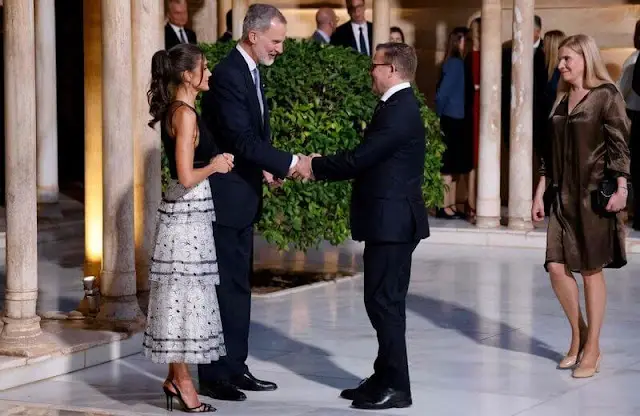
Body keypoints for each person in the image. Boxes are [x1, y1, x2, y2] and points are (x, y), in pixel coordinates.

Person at [197, 3, 311, 402]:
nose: (280, 48)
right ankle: (214, 375)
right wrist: (291, 162)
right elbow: (240, 139)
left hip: (244, 194)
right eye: (276, 41)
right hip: (225, 198)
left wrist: (264, 169)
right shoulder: (229, 74)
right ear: (253, 35)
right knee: (223, 288)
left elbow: (245, 140)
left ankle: (235, 365)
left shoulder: (250, 71)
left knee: (238, 286)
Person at [306, 42, 429, 410]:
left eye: (374, 65)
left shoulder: (400, 110)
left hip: (393, 223)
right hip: (386, 222)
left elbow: (361, 158)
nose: (370, 71)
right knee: (380, 301)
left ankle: (397, 387)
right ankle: (384, 375)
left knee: (385, 303)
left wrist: (313, 165)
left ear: (391, 69)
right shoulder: (395, 106)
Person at [532, 34, 631, 379]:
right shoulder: (560, 101)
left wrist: (622, 187)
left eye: (567, 59)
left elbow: (619, 145)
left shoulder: (606, 95)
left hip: (593, 197)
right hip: (561, 196)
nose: (560, 65)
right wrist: (539, 191)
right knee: (556, 268)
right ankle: (580, 335)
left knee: (590, 271)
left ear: (585, 59)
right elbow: (549, 153)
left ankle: (592, 349)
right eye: (560, 59)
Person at [144, 43, 234, 413]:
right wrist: (215, 165)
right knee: (185, 299)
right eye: (204, 67)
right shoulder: (185, 115)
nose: (209, 73)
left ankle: (175, 376)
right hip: (185, 216)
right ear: (187, 75)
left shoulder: (180, 110)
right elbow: (184, 175)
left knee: (180, 298)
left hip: (186, 215)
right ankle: (182, 381)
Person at [435, 27, 471, 219]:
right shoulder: (455, 63)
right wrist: (439, 116)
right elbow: (442, 94)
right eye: (466, 40)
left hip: (455, 119)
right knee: (447, 166)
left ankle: (449, 206)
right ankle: (443, 206)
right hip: (451, 119)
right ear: (458, 42)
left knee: (453, 166)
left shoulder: (455, 63)